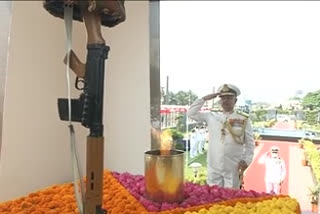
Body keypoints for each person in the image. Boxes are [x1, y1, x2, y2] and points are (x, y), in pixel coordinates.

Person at [187, 83, 254, 188]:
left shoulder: (243, 119)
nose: (226, 101)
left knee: (230, 198)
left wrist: (246, 160)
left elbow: (250, 143)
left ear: (235, 101)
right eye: (223, 98)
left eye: (229, 98)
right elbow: (191, 113)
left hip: (233, 166)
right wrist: (204, 99)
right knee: (213, 196)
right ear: (219, 101)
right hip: (214, 165)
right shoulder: (211, 116)